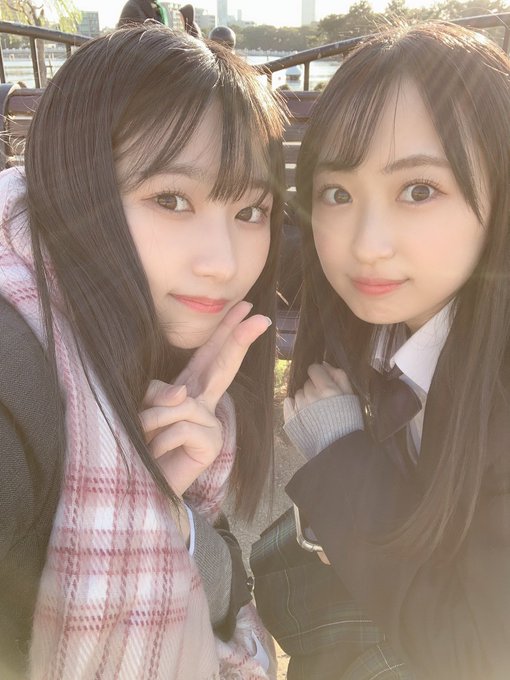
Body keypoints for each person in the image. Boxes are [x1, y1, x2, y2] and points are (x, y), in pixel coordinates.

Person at [0, 24, 285, 680]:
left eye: (251, 211)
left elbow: (226, 584)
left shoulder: (179, 366)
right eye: (171, 199)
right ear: (75, 190)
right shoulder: (18, 373)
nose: (223, 263)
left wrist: (164, 510)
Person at [279, 21, 510, 680]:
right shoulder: (380, 326)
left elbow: (478, 652)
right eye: (338, 194)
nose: (366, 244)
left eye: (418, 190)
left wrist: (341, 455)